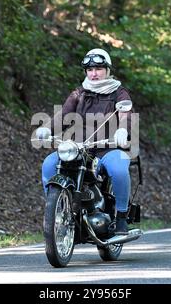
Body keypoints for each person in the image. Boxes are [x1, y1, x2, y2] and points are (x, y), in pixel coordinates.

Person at [36, 48, 134, 235]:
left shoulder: (118, 92)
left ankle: (121, 216)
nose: (94, 73)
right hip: (79, 148)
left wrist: (123, 130)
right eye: (90, 70)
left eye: (98, 68)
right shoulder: (79, 93)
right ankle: (57, 209)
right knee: (49, 164)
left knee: (119, 169)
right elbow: (63, 115)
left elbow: (125, 115)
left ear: (107, 69)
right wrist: (47, 128)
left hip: (108, 147)